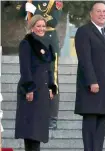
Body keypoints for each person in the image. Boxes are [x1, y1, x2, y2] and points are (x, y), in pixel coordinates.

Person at [74, 1, 105, 151]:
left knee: (101, 127)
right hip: (91, 88)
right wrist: (92, 81)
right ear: (91, 14)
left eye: (104, 11)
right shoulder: (84, 31)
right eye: (99, 11)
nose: (102, 14)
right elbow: (85, 59)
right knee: (90, 126)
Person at [18, 0, 63, 129]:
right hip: (34, 42)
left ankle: (52, 117)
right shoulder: (31, 1)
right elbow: (23, 16)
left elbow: (53, 21)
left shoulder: (55, 2)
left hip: (49, 42)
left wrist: (35, 11)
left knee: (52, 80)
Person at [14, 15, 57, 151]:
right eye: (38, 26)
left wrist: (51, 86)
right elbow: (25, 68)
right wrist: (29, 89)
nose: (41, 29)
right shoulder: (26, 43)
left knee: (38, 131)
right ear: (32, 27)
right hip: (31, 91)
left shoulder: (47, 43)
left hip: (43, 92)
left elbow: (49, 69)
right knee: (30, 130)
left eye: (43, 26)